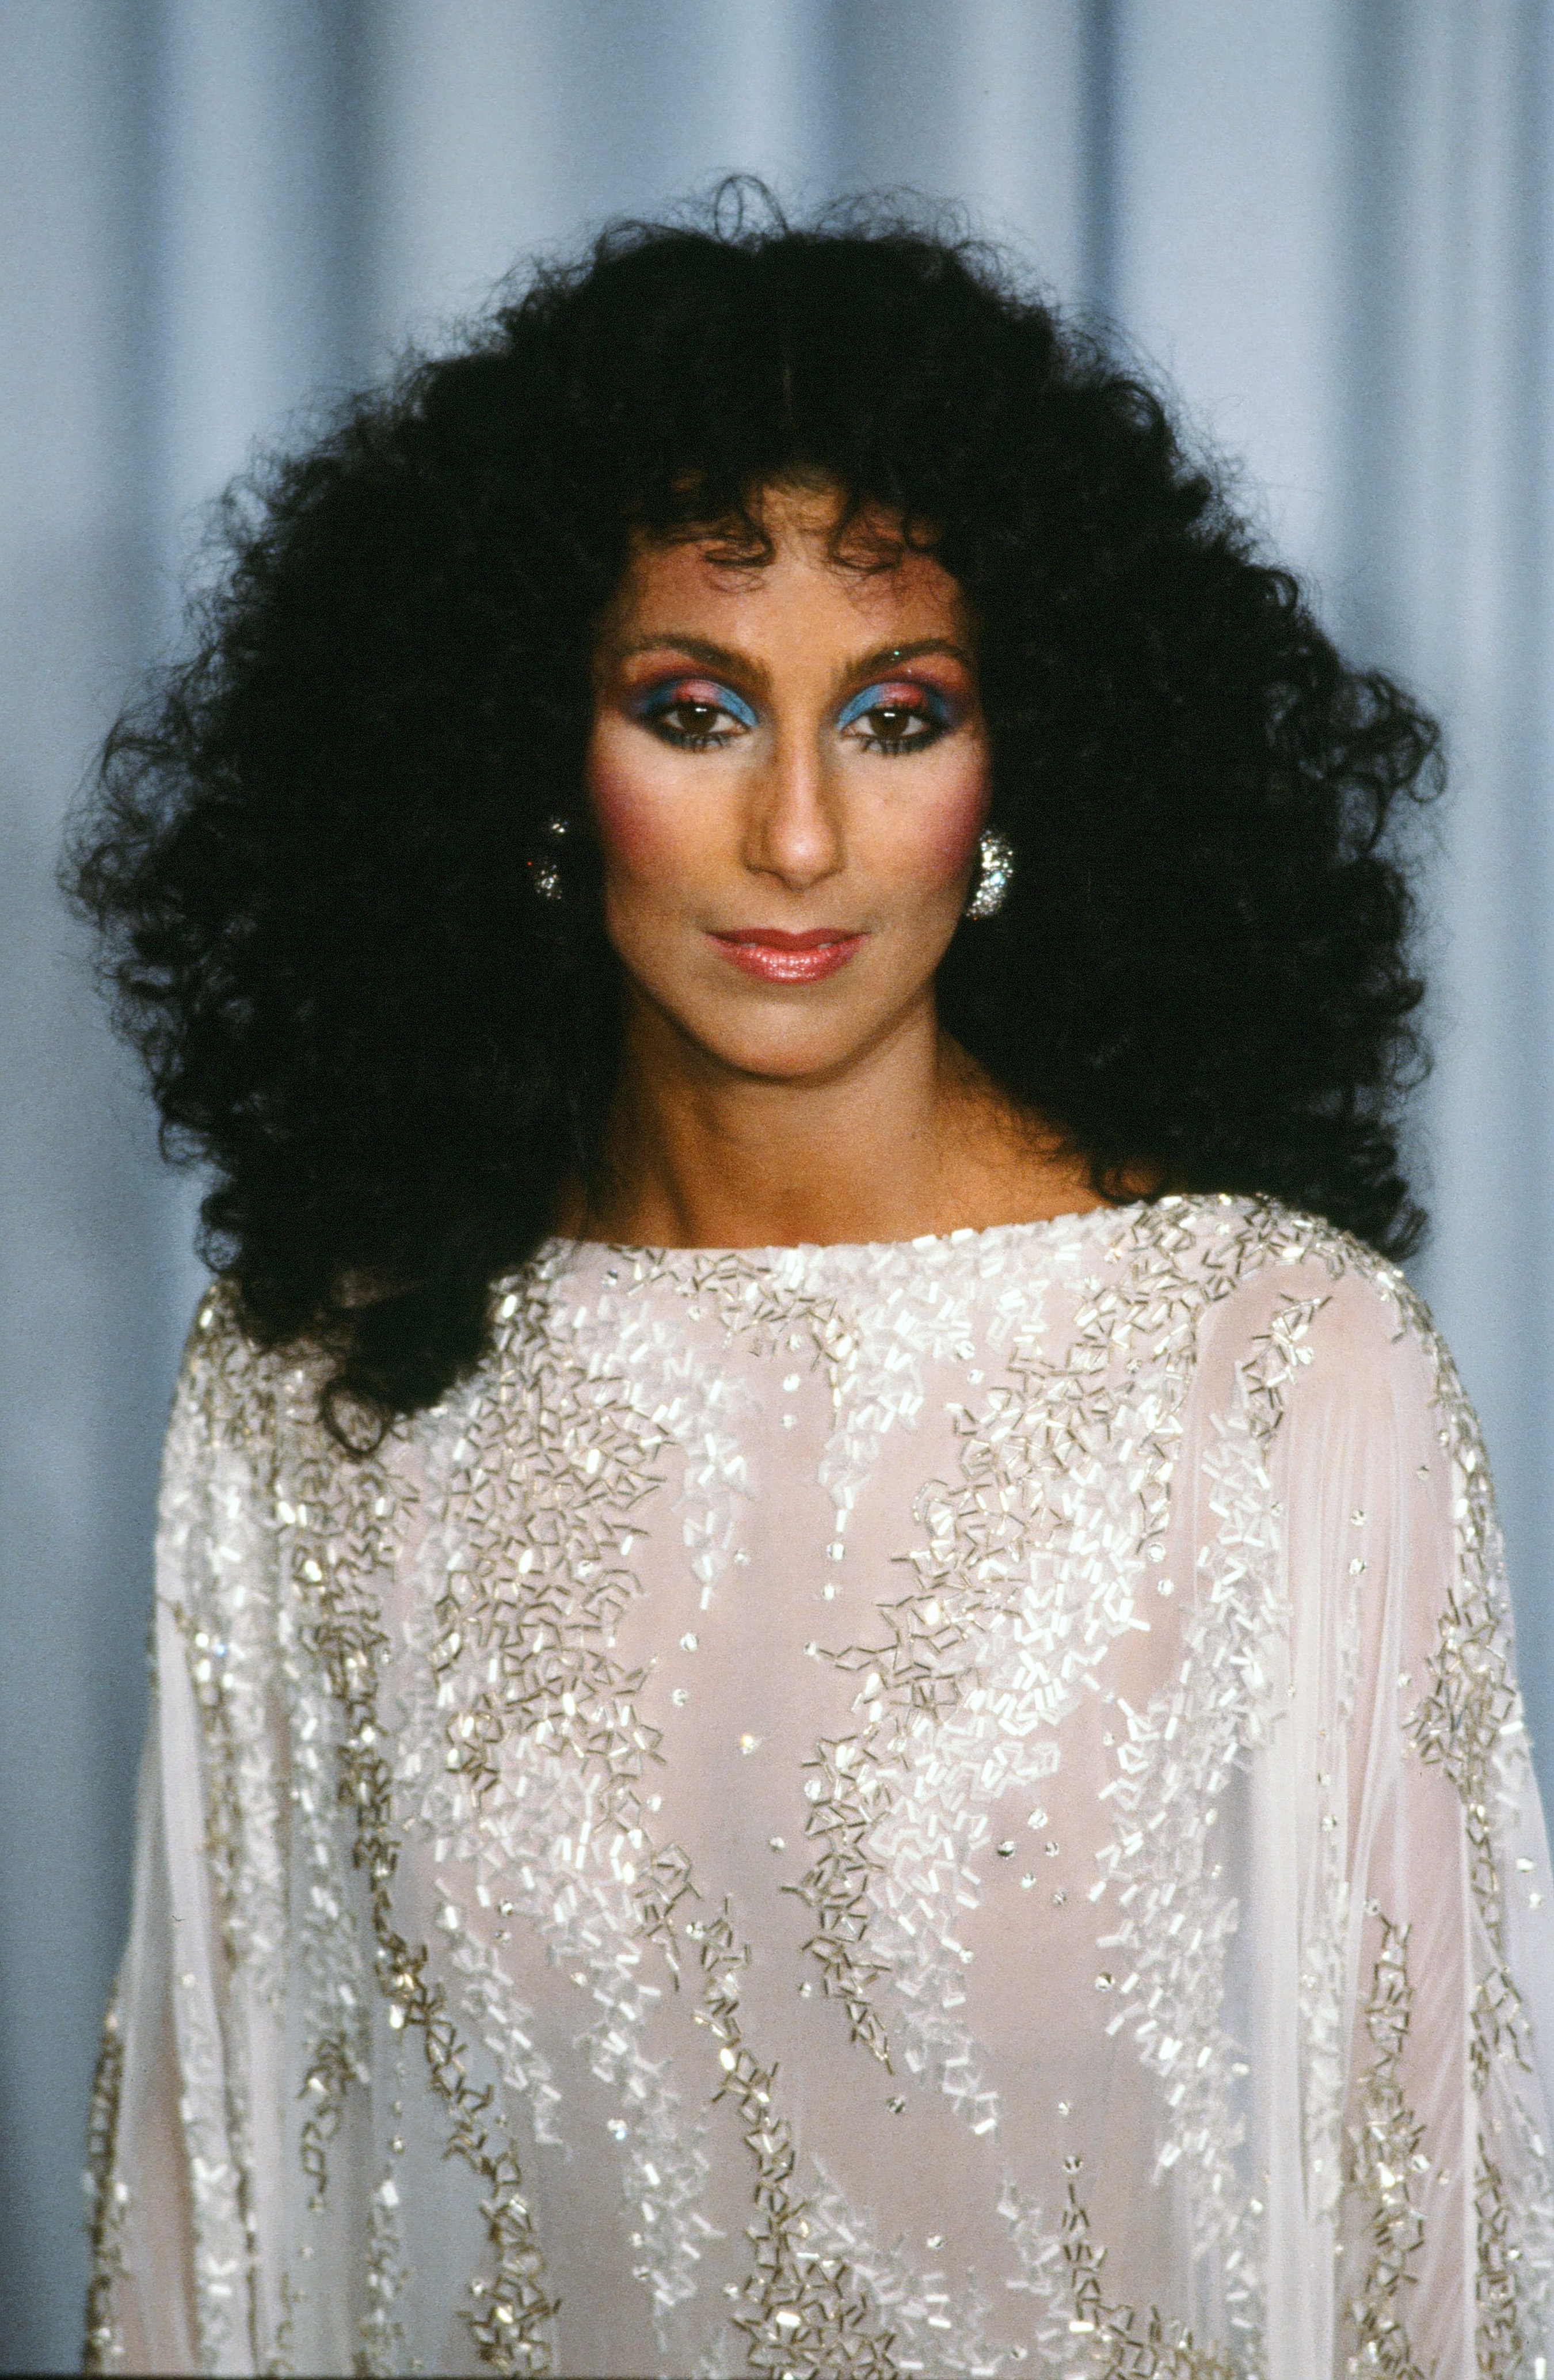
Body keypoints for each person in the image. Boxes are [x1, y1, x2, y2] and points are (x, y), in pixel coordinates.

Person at [69, 191, 1554, 2378]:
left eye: (892, 715)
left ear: (1021, 764)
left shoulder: (1278, 1368)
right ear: (532, 758)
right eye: (691, 709)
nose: (792, 836)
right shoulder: (318, 1389)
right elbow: (213, 2219)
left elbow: (1440, 2231)